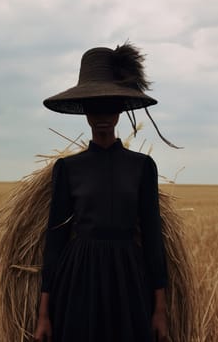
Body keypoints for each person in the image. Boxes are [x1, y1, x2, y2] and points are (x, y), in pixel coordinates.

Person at [34, 42, 172, 342]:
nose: (102, 115)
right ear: (83, 109)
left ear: (122, 107)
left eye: (110, 104)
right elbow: (55, 242)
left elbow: (152, 239)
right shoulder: (68, 168)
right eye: (94, 105)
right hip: (78, 281)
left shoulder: (142, 167)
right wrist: (44, 315)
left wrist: (160, 309)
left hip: (129, 281)